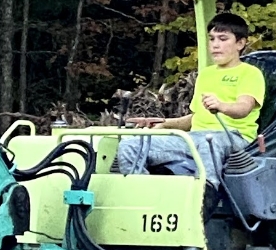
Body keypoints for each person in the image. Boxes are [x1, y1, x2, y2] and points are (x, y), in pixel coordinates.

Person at [113, 13, 266, 191]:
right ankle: (145, 196)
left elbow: (244, 108)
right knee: (130, 145)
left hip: (234, 137)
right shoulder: (206, 75)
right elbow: (195, 118)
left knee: (209, 142)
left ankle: (205, 196)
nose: (215, 45)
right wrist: (163, 124)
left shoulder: (250, 73)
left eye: (223, 39)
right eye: (212, 39)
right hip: (195, 138)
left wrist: (221, 105)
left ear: (240, 43)